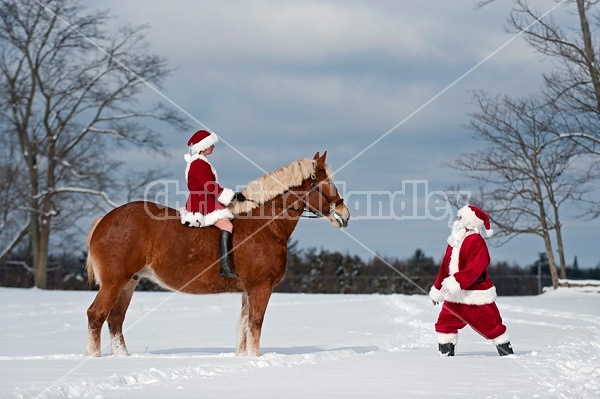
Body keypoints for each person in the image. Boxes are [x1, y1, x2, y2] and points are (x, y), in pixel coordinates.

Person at [429, 205, 514, 357]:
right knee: (444, 324)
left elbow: (477, 266)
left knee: (493, 326)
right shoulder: (453, 242)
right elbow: (444, 268)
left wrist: (457, 281)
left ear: (469, 222)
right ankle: (445, 357)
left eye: (461, 217)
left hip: (475, 296)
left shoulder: (476, 241)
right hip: (455, 297)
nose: (457, 220)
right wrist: (437, 290)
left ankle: (507, 355)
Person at [179, 130, 245, 278]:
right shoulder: (199, 163)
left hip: (205, 198)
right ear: (204, 146)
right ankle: (225, 267)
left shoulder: (199, 161)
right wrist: (230, 196)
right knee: (227, 225)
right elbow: (209, 186)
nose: (213, 147)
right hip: (203, 201)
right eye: (211, 145)